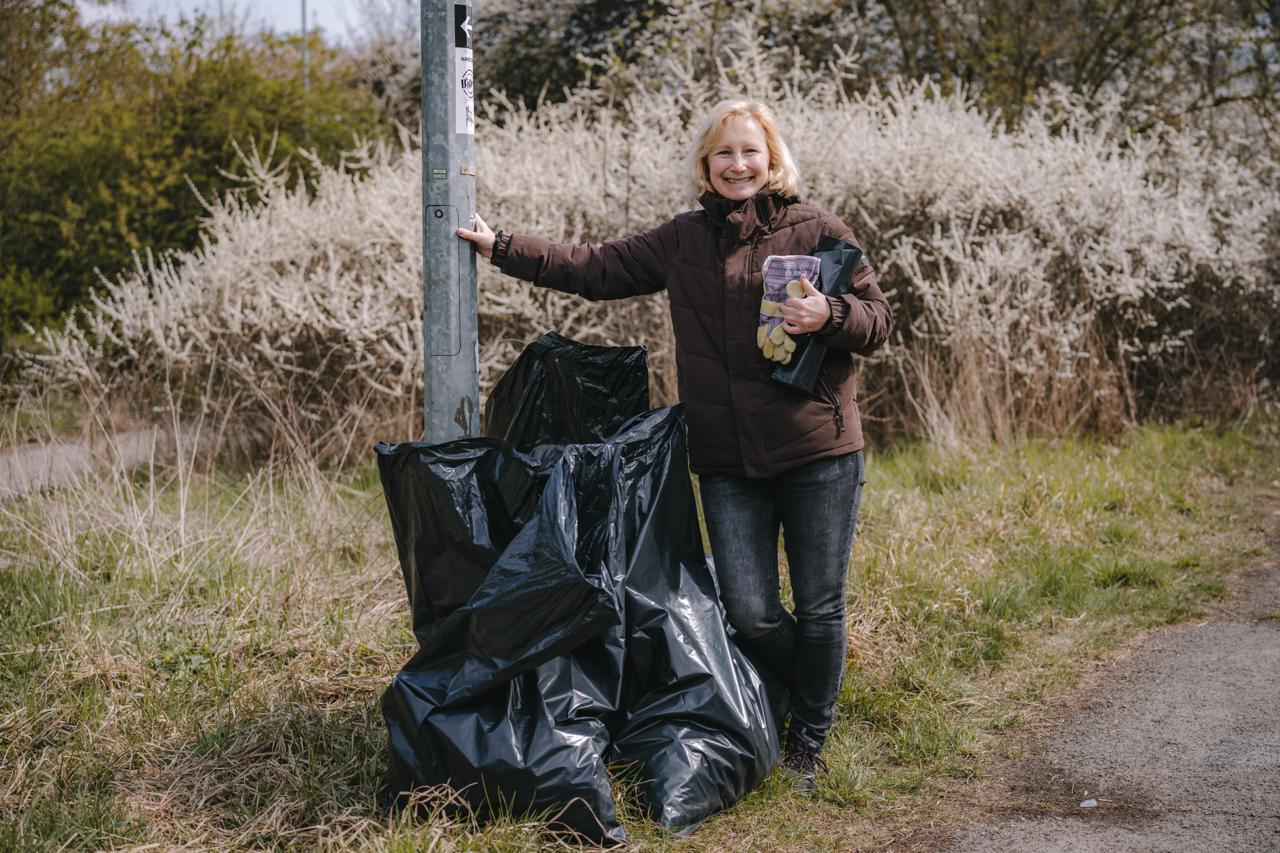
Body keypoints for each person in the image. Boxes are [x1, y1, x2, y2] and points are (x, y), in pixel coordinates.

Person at [458, 98, 892, 790]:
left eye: (750, 151)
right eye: (724, 153)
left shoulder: (817, 229)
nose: (738, 164)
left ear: (772, 159)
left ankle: (809, 736)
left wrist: (828, 312)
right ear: (706, 164)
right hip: (726, 461)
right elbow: (596, 268)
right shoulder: (685, 239)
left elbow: (878, 319)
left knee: (820, 606)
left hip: (818, 453)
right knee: (749, 611)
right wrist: (502, 246)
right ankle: (799, 684)